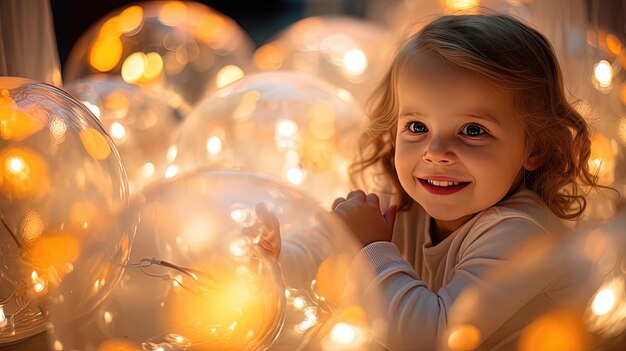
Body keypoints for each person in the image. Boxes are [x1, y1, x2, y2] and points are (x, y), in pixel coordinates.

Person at [325, 13, 609, 350]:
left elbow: (431, 338)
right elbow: (323, 255)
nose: (436, 152)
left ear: (533, 148)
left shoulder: (523, 234)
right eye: (417, 127)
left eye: (473, 131)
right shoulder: (402, 201)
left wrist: (371, 249)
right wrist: (273, 250)